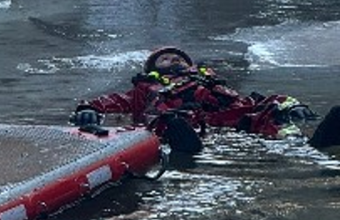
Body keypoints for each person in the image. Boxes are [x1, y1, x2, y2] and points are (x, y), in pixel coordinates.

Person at [71, 46, 320, 153]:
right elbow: (110, 101)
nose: (172, 60)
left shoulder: (209, 81)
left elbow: (249, 101)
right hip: (178, 121)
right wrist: (88, 109)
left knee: (268, 112)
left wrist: (289, 104)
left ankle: (307, 144)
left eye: (177, 58)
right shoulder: (145, 88)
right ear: (152, 68)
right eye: (165, 58)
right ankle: (185, 145)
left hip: (224, 118)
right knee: (172, 122)